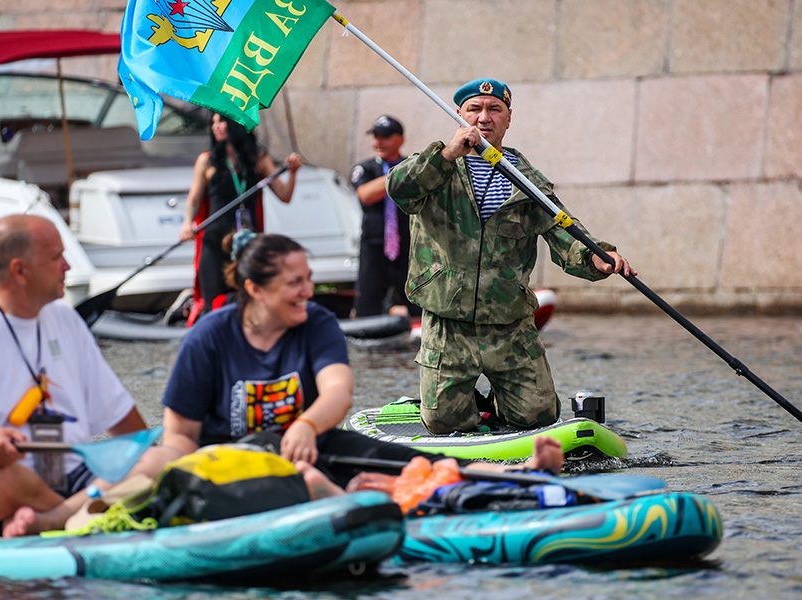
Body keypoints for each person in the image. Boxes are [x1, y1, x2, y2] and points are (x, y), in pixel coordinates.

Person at [158, 231, 565, 489]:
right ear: (256, 290)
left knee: (416, 461)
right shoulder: (209, 336)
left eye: (309, 278)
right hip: (230, 462)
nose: (308, 291)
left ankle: (518, 473)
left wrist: (305, 424)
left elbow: (338, 392)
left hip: (309, 445)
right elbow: (178, 433)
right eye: (294, 283)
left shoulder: (316, 322)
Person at [386, 77, 637, 435]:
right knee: (445, 423)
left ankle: (490, 409)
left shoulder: (528, 179)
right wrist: (447, 154)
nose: (484, 117)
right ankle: (464, 405)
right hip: (448, 319)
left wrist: (597, 256)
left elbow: (562, 229)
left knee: (539, 417)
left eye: (494, 109)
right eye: (474, 109)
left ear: (508, 119)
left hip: (510, 321)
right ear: (459, 114)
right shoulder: (435, 166)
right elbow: (399, 189)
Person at [0, 215, 164, 538]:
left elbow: (125, 425)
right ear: (19, 270)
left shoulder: (66, 320)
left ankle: (56, 518)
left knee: (162, 457)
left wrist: (148, 461)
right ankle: (79, 517)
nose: (67, 266)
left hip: (71, 482)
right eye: (56, 257)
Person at [179, 112, 303, 325]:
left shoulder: (258, 158)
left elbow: (284, 195)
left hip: (248, 241)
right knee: (213, 300)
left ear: (234, 125)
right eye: (213, 122)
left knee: (251, 296)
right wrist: (186, 223)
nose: (216, 127)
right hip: (215, 241)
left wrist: (292, 173)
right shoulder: (207, 160)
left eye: (222, 122)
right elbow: (193, 200)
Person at [349, 116, 420, 318]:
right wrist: (398, 173)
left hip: (408, 246)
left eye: (386, 137)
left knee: (416, 302)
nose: (379, 142)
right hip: (374, 246)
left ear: (400, 139)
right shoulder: (366, 168)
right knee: (367, 305)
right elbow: (365, 195)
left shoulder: (411, 166)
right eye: (376, 137)